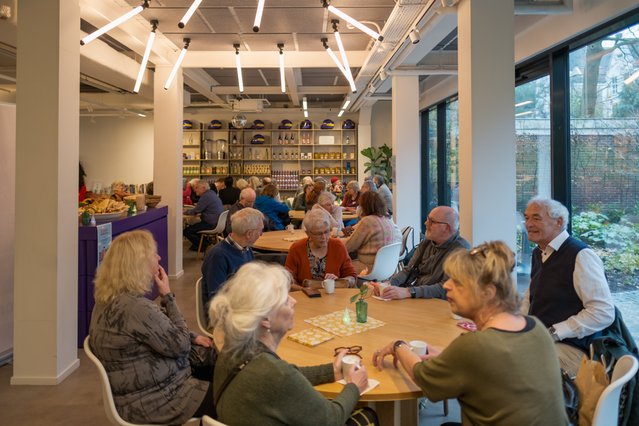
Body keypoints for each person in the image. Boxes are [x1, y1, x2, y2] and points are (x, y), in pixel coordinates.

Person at [372, 241, 568, 426]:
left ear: (488, 293)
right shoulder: (535, 326)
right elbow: (500, 368)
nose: (446, 285)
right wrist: (448, 357)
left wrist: (399, 346)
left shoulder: (474, 346)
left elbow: (422, 378)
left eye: (457, 282)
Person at [210, 262, 376, 426]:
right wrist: (354, 387)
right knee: (368, 416)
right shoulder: (276, 374)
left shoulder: (233, 350)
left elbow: (289, 377)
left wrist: (331, 371)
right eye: (285, 300)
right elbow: (331, 419)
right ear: (266, 319)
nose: (293, 302)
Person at [89, 230, 216, 425]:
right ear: (139, 265)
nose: (159, 257)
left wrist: (193, 336)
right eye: (153, 254)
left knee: (216, 364)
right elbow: (180, 345)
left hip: (138, 394)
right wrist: (167, 296)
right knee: (235, 394)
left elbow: (157, 330)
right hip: (162, 399)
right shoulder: (136, 308)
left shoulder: (108, 301)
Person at [522, 197, 614, 377]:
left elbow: (603, 311)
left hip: (574, 348)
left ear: (559, 222)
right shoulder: (538, 252)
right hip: (542, 340)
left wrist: (555, 332)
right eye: (526, 218)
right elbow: (530, 296)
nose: (528, 224)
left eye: (536, 218)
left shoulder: (581, 255)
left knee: (514, 366)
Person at [370, 206, 470, 300]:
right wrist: (389, 284)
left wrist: (409, 292)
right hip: (417, 296)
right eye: (427, 219)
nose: (426, 223)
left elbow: (446, 288)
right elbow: (408, 270)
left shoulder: (461, 251)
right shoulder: (427, 242)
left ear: (447, 228)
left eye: (432, 221)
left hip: (437, 304)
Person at [202, 208, 264, 304]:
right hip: (226, 312)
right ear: (249, 234)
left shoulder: (246, 249)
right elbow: (216, 298)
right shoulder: (218, 256)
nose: (261, 234)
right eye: (260, 230)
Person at [285, 208, 357, 291]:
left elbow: (352, 276)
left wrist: (339, 281)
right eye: (318, 234)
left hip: (334, 297)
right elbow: (288, 281)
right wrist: (306, 290)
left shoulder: (338, 246)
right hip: (305, 297)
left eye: (326, 232)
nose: (324, 237)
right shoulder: (296, 248)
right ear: (308, 233)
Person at [345, 191, 401, 274]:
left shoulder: (367, 221)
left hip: (369, 268)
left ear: (364, 206)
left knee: (342, 266)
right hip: (389, 268)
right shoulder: (388, 219)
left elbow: (349, 246)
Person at [183, 179, 224, 251]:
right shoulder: (211, 193)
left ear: (203, 188)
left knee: (187, 231)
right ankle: (204, 244)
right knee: (193, 228)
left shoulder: (206, 196)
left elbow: (196, 211)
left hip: (210, 223)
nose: (195, 190)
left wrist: (185, 212)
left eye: (197, 188)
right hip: (217, 222)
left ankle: (205, 245)